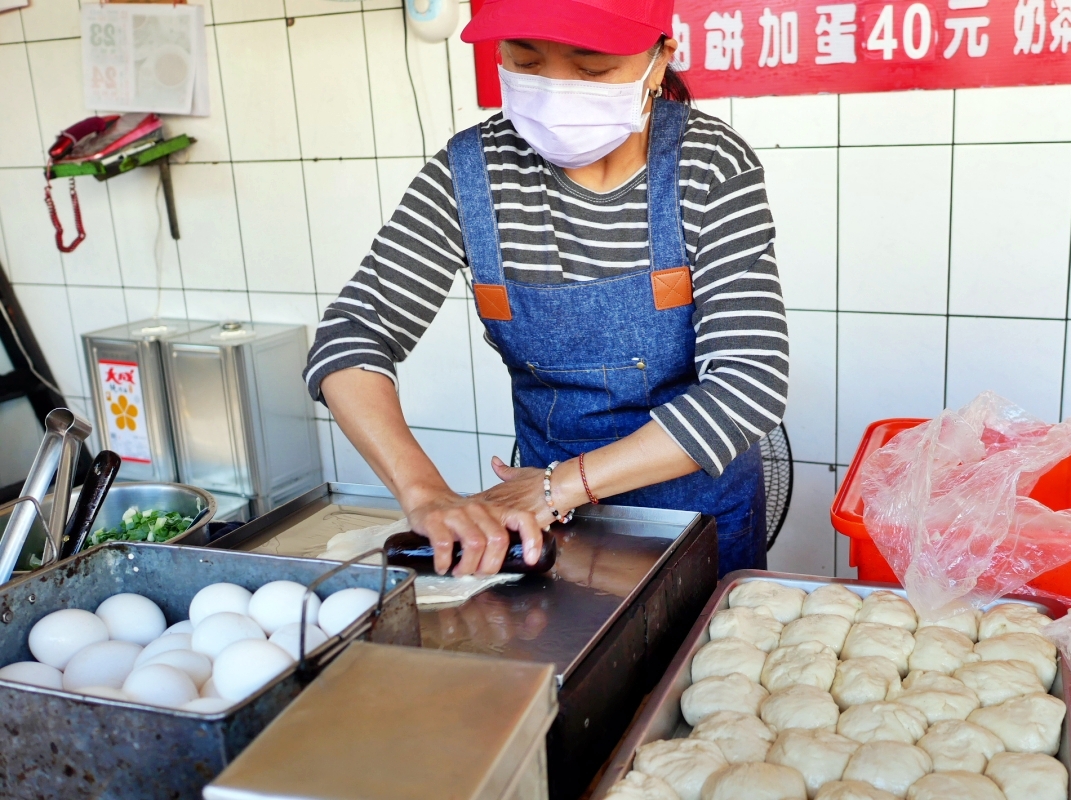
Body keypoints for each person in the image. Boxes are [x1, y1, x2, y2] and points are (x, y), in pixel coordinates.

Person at [304, 0, 788, 578]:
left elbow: (751, 381)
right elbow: (350, 336)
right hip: (546, 530)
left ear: (659, 63)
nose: (556, 93)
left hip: (696, 521)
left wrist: (564, 485)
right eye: (527, 61)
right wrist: (425, 494)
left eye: (592, 70)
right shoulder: (470, 176)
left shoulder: (708, 165)